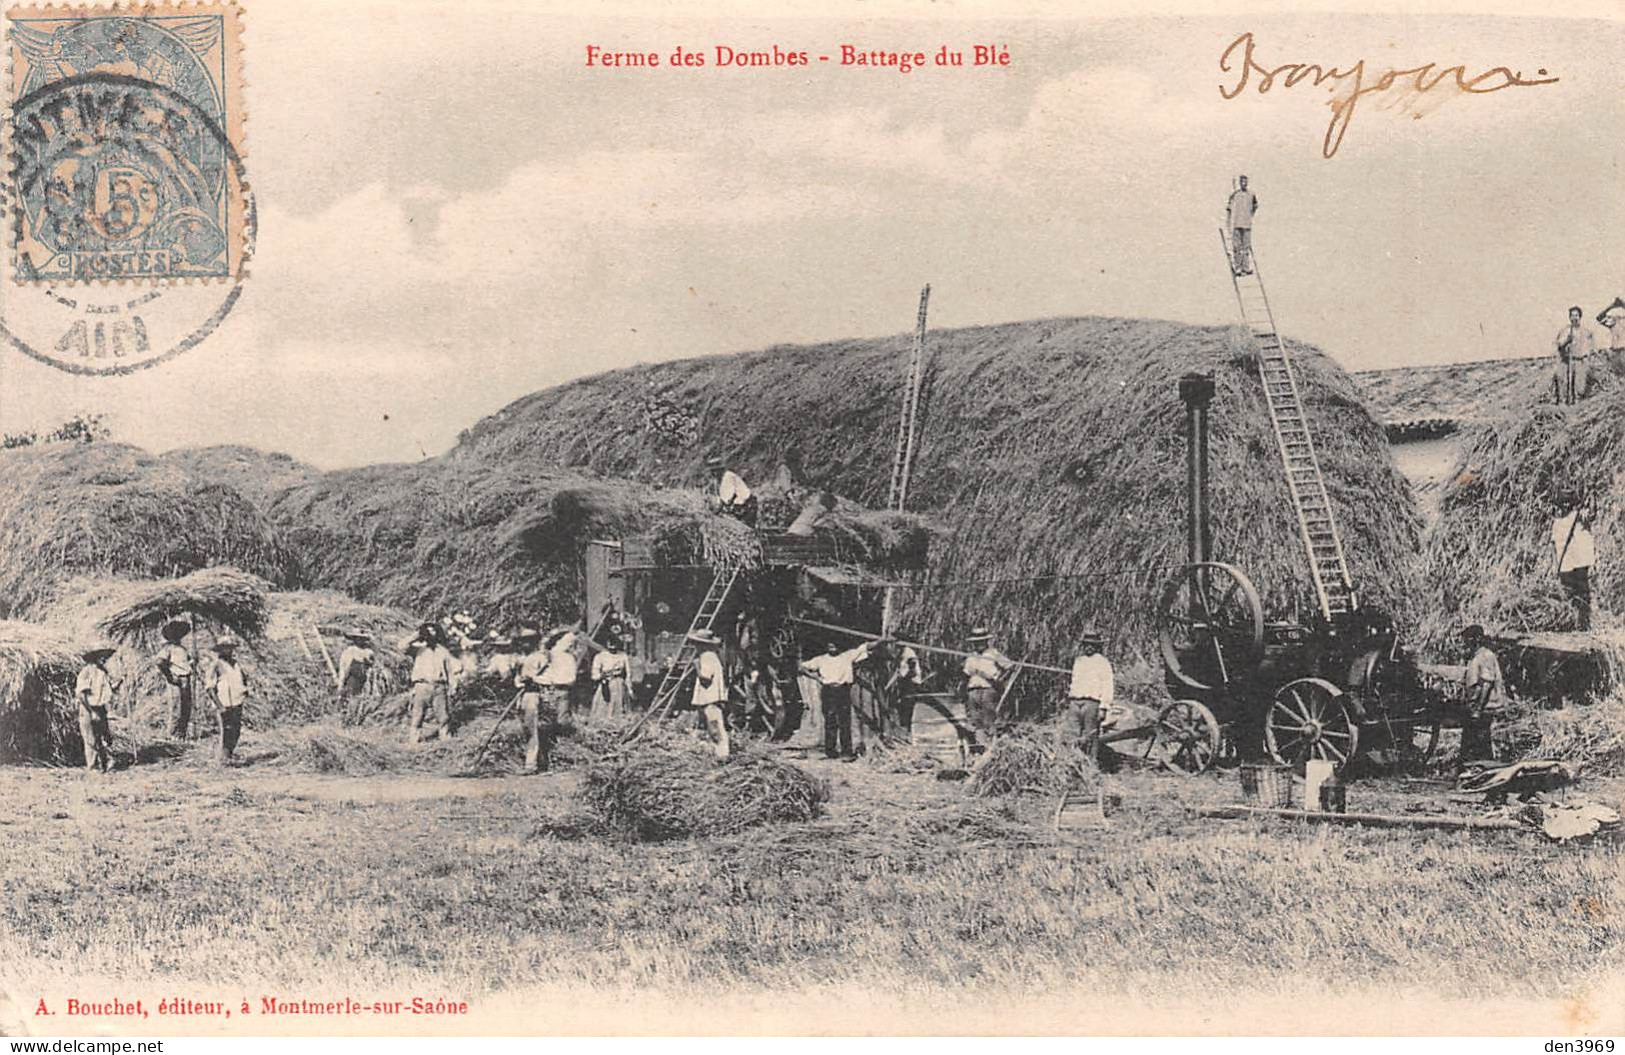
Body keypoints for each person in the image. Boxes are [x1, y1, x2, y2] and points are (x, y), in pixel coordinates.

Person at [800, 638, 874, 761]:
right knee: (830, 720)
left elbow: (865, 647)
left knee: (844, 721)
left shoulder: (847, 656)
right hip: (828, 690)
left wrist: (884, 640)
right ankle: (830, 751)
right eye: (830, 646)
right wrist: (815, 677)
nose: (832, 648)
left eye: (834, 646)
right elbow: (802, 667)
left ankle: (846, 752)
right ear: (827, 647)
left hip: (843, 690)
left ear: (839, 647)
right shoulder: (821, 659)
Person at [1062, 628, 1118, 771]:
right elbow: (1074, 681)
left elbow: (1107, 685)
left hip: (1091, 703)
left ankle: (1090, 768)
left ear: (1097, 646)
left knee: (1090, 736)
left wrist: (1104, 707)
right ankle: (1071, 765)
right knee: (1071, 735)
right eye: (1086, 644)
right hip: (1075, 702)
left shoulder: (1103, 663)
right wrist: (1069, 699)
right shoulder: (1078, 661)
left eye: (1092, 645)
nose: (1089, 647)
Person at [512, 626, 557, 772]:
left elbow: (549, 679)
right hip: (522, 696)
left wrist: (533, 679)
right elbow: (517, 679)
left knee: (533, 730)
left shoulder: (541, 658)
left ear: (534, 642)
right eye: (523, 641)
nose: (525, 644)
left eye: (528, 641)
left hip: (534, 695)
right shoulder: (522, 659)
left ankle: (531, 765)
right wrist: (520, 680)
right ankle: (536, 761)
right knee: (526, 729)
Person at [402, 621, 456, 743]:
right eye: (428, 631)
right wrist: (416, 635)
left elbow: (449, 670)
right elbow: (401, 646)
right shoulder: (417, 649)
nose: (431, 633)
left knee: (443, 716)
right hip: (422, 686)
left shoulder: (443, 651)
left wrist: (452, 686)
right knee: (417, 716)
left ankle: (445, 739)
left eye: (434, 630)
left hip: (439, 687)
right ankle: (413, 741)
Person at [1460, 625, 1505, 763]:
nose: (1465, 643)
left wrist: (1478, 709)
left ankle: (1482, 770)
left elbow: (1486, 683)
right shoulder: (1477, 656)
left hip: (1485, 707)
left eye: (1468, 639)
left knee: (1479, 741)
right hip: (1478, 706)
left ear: (1477, 639)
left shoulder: (1485, 656)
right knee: (1471, 740)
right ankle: (1472, 769)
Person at [961, 627, 1015, 742]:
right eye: (976, 642)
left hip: (988, 690)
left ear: (986, 641)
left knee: (988, 718)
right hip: (973, 690)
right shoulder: (971, 656)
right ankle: (978, 745)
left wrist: (1000, 679)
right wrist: (963, 691)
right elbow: (966, 674)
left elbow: (1009, 666)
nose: (979, 644)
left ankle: (991, 743)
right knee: (974, 720)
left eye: (981, 641)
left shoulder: (993, 653)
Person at [1551, 499, 1596, 631]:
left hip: (1579, 562)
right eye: (1563, 502)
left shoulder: (1579, 516)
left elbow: (1591, 515)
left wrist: (1591, 502)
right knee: (1568, 594)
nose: (1565, 505)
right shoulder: (1557, 522)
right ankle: (1569, 623)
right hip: (1564, 564)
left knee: (1582, 594)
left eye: (1567, 502)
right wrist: (1555, 566)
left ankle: (1584, 624)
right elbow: (1553, 546)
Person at [74, 646, 119, 773]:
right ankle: (93, 767)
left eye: (105, 656)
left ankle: (104, 763)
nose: (104, 658)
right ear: (94, 657)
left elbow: (109, 690)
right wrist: (91, 712)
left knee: (104, 737)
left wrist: (119, 683)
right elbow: (81, 695)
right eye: (101, 656)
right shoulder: (86, 672)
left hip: (100, 708)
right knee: (90, 738)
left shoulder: (103, 672)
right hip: (88, 709)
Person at [689, 628, 731, 760]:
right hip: (710, 698)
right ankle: (719, 753)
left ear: (702, 644)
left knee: (715, 727)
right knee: (715, 726)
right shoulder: (712, 655)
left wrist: (696, 666)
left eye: (696, 643)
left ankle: (723, 755)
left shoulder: (706, 657)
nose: (695, 646)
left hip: (710, 699)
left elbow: (705, 679)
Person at [209, 635, 249, 765]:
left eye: (230, 648)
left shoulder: (236, 664)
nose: (228, 651)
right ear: (220, 650)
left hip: (237, 702)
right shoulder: (216, 665)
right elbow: (209, 688)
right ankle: (222, 759)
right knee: (225, 731)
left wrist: (245, 691)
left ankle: (229, 756)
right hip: (224, 704)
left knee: (235, 731)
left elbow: (243, 679)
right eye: (225, 648)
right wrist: (219, 706)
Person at [155, 618, 195, 739]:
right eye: (175, 634)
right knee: (176, 708)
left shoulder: (182, 649)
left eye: (179, 634)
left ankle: (181, 734)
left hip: (186, 680)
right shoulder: (168, 649)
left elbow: (188, 662)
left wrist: (193, 661)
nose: (177, 636)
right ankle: (172, 735)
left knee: (186, 707)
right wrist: (170, 676)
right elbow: (160, 662)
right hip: (176, 681)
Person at [1554, 306, 1597, 405]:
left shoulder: (1586, 331)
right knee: (1566, 384)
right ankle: (1565, 405)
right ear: (1569, 317)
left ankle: (1578, 405)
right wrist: (1567, 341)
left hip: (1581, 361)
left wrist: (1588, 355)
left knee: (1579, 386)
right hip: (1568, 362)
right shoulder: (1565, 330)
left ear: (1580, 317)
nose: (1574, 318)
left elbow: (1591, 346)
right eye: (1572, 316)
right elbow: (1559, 344)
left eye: (1576, 315)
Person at [590, 633, 632, 722]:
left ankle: (617, 722)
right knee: (604, 703)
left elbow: (628, 672)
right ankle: (603, 722)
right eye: (610, 643)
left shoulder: (623, 656)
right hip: (606, 683)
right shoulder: (600, 656)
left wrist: (628, 686)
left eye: (615, 643)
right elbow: (595, 672)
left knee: (618, 703)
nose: (612, 646)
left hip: (618, 684)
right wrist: (601, 677)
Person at [706, 455, 758, 526]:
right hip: (738, 507)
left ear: (721, 470)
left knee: (744, 529)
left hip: (746, 506)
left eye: (715, 471)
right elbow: (720, 498)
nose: (713, 473)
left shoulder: (728, 477)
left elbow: (726, 499)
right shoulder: (718, 481)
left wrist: (714, 513)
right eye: (712, 471)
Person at [1226, 175, 1259, 276]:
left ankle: (1246, 267)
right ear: (1240, 183)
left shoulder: (1251, 194)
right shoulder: (1235, 194)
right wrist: (1228, 223)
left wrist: (1250, 215)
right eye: (1242, 182)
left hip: (1247, 224)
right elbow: (1229, 207)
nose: (1244, 184)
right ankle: (1238, 268)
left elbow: (1255, 205)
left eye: (1245, 182)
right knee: (1237, 247)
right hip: (1237, 224)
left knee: (1246, 247)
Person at [335, 629, 374, 698]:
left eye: (362, 639)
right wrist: (341, 685)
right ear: (354, 639)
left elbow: (371, 668)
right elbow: (344, 669)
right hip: (351, 680)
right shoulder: (350, 651)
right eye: (358, 638)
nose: (360, 640)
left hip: (364, 682)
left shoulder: (368, 651)